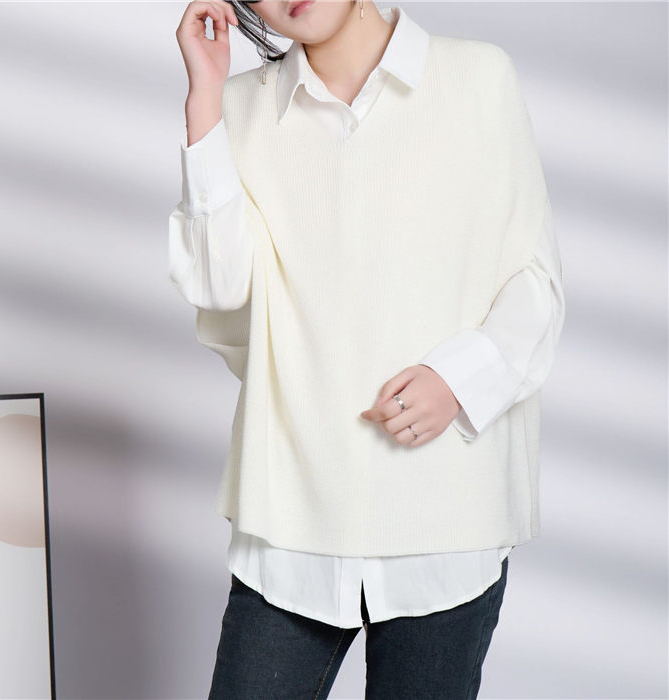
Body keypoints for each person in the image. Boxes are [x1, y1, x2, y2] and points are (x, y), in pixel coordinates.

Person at [169, 1, 565, 697]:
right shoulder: (241, 107)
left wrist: (457, 380)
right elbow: (220, 288)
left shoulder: (477, 78)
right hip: (291, 516)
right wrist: (204, 99)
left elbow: (534, 280)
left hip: (445, 515)